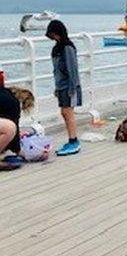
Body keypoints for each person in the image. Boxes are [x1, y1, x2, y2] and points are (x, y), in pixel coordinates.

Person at [44, 20, 83, 155]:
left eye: (54, 34)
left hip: (68, 86)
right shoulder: (57, 48)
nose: (53, 37)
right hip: (61, 85)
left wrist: (73, 89)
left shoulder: (67, 47)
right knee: (64, 112)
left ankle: (74, 140)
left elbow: (73, 69)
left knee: (68, 112)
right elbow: (57, 70)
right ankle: (72, 139)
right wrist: (56, 87)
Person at [0, 86, 34, 170]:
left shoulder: (4, 94)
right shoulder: (13, 103)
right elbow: (14, 129)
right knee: (10, 128)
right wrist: (19, 151)